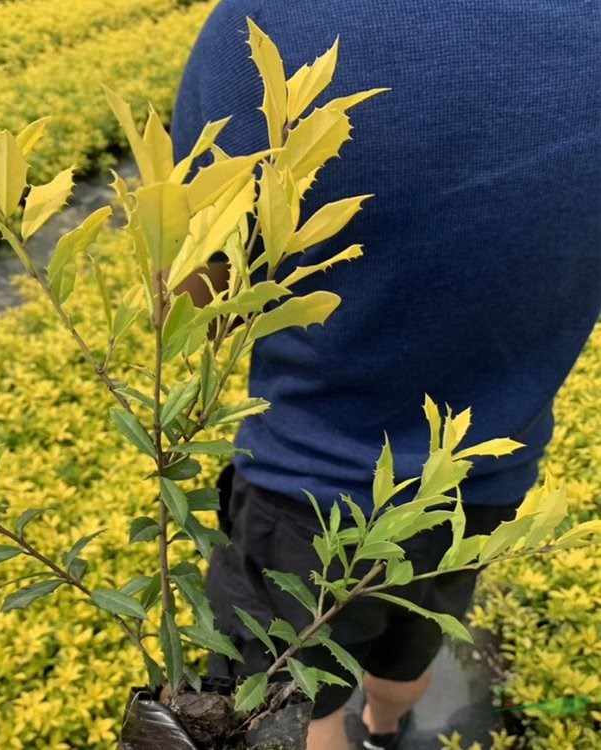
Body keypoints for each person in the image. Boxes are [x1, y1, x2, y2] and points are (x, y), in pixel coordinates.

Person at [170, 1, 600, 748]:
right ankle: (389, 729)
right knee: (413, 639)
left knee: (299, 706)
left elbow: (194, 301)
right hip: (487, 473)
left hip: (307, 492)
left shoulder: (264, 23)